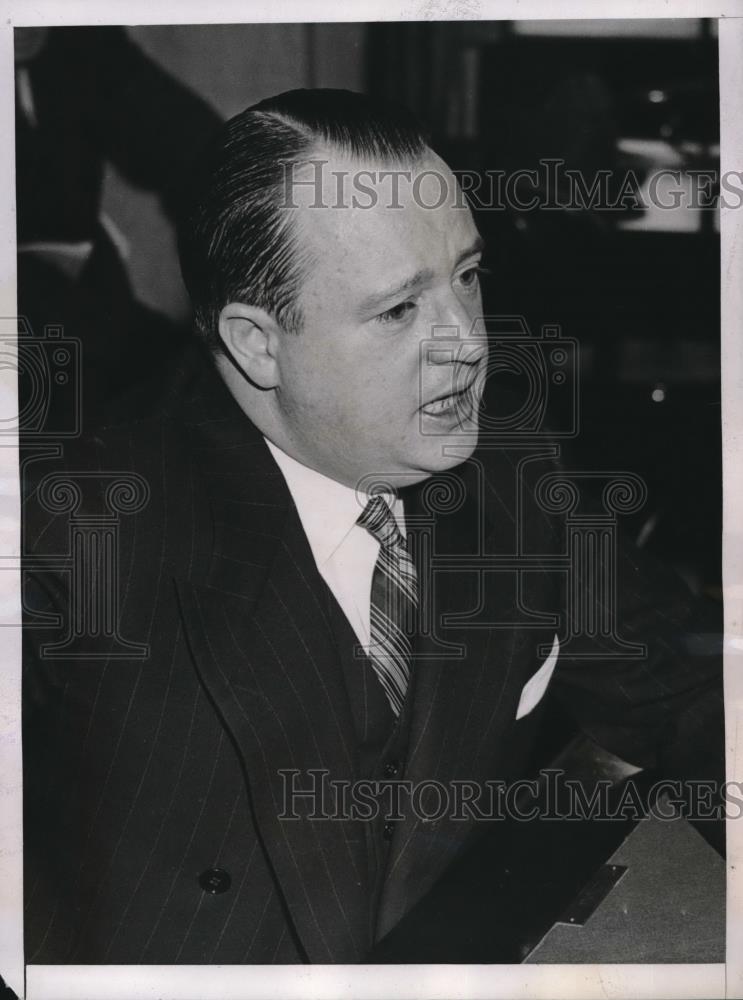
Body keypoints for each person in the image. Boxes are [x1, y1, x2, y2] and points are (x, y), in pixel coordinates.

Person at [22, 88, 723, 965]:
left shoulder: (507, 468)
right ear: (256, 343)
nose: (465, 340)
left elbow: (703, 691)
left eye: (467, 277)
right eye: (399, 310)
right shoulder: (72, 534)